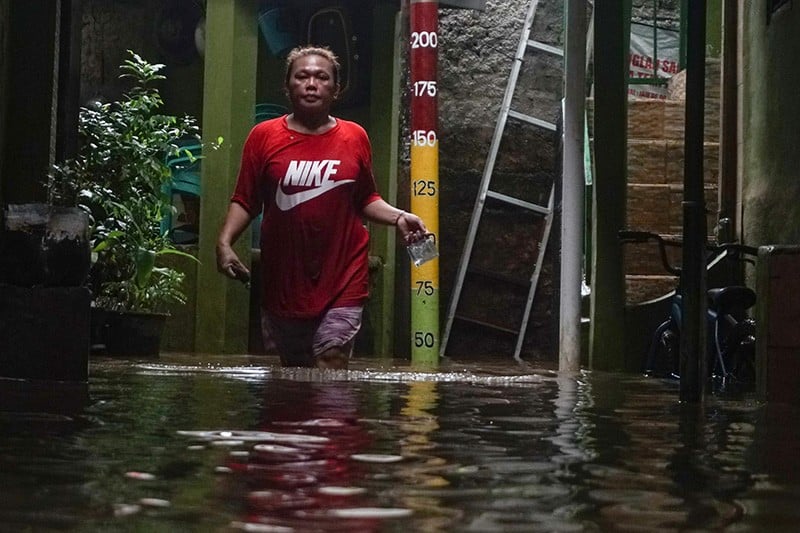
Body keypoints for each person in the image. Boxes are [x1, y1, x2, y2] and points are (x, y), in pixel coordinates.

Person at [216, 45, 428, 370]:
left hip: (344, 273)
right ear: (287, 86)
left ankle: (333, 406)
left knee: (331, 357)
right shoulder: (263, 137)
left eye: (321, 77)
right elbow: (246, 199)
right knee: (296, 372)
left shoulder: (354, 137)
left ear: (336, 88)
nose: (312, 84)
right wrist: (224, 242)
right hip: (285, 278)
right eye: (302, 76)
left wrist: (399, 216)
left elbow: (366, 198)